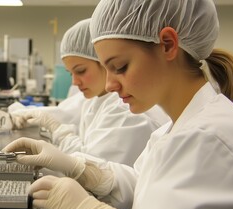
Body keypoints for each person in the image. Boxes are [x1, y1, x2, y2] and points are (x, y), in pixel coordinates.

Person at [2, 0, 233, 209]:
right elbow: (143, 186)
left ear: (167, 44)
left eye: (119, 67)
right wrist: (79, 168)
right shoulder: (174, 129)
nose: (109, 84)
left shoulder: (208, 139)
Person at [15, 18, 167, 166]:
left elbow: (91, 167)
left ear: (104, 62)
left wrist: (58, 130)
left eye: (80, 71)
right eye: (70, 73)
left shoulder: (125, 108)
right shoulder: (95, 101)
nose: (74, 82)